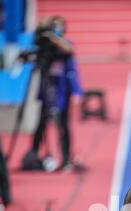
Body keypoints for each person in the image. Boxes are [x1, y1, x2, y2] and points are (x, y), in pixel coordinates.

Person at [29, 16, 82, 170]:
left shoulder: (64, 44)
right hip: (46, 90)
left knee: (63, 126)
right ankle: (34, 155)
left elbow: (69, 49)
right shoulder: (46, 47)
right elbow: (35, 56)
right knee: (41, 125)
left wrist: (53, 38)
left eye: (59, 27)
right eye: (54, 27)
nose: (56, 30)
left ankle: (66, 159)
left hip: (61, 92)